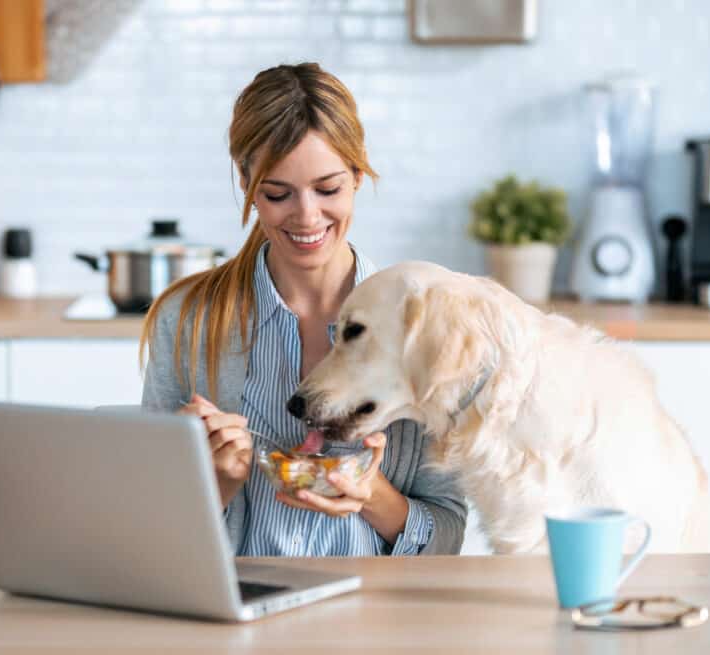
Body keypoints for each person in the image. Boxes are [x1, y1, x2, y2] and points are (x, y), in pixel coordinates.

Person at [140, 62, 467, 556]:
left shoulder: (420, 325)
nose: (307, 216)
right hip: (233, 612)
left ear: (358, 175)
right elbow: (151, 531)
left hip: (376, 619)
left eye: (328, 189)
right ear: (246, 181)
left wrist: (372, 496)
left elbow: (448, 533)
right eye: (277, 194)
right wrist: (216, 485)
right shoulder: (186, 321)